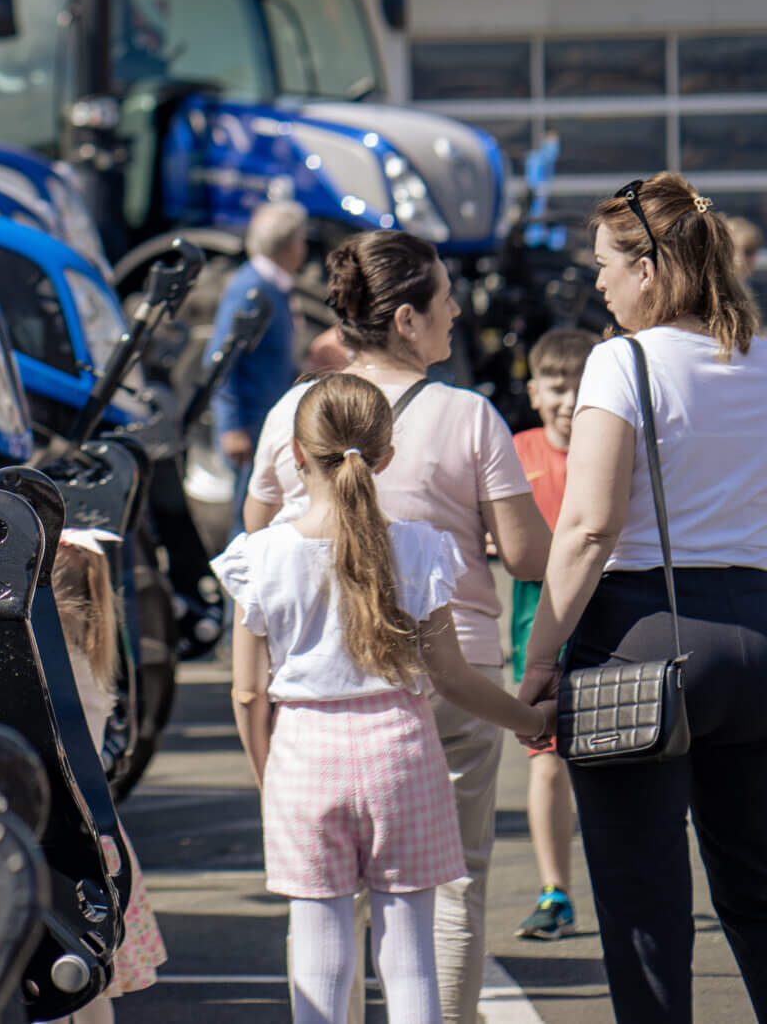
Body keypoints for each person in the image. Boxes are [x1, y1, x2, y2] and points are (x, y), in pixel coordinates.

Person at [244, 229, 549, 1024]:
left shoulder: (294, 409)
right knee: (449, 894)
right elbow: (526, 554)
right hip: (452, 681)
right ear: (408, 319)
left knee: (324, 910)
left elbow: (255, 526)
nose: (456, 312)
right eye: (446, 300)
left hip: (312, 713)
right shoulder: (469, 417)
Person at [517, 173, 767, 1024]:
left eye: (605, 266)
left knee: (643, 905)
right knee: (759, 888)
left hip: (644, 634)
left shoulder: (620, 363)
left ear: (651, 269)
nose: (596, 284)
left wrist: (539, 658)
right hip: (759, 634)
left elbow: (587, 527)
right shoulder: (761, 355)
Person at [51, 532, 165, 1019]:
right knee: (94, 984)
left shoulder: (52, 669)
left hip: (56, 834)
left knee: (54, 977)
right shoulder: (92, 662)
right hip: (99, 833)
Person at [509, 326, 594, 941]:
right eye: (555, 387)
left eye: (579, 386)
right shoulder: (518, 452)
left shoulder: (613, 448)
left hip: (612, 620)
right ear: (534, 392)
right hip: (536, 629)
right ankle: (554, 890)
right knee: (546, 760)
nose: (567, 400)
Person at [213, 200, 308, 501]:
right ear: (289, 245)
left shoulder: (274, 286)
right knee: (249, 511)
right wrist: (231, 427)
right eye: (302, 240)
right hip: (250, 428)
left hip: (266, 423)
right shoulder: (251, 290)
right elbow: (220, 360)